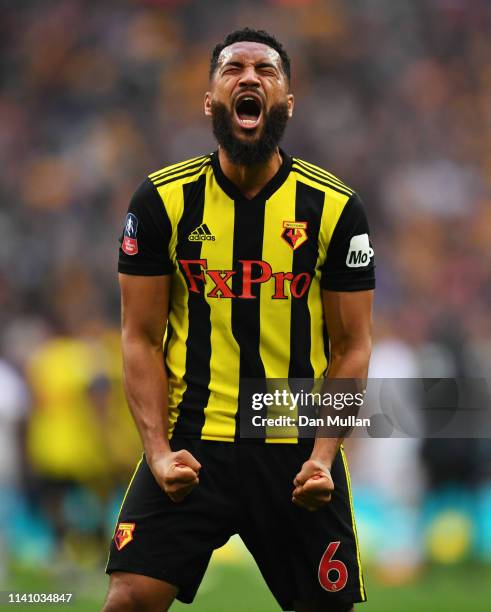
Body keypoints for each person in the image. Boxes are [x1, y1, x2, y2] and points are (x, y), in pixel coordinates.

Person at [103, 28, 374, 612]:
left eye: (267, 71)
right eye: (232, 69)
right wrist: (155, 450)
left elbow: (352, 347)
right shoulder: (160, 202)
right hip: (193, 443)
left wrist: (323, 457)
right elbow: (140, 338)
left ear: (288, 103)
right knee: (128, 599)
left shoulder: (334, 208)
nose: (249, 77)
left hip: (296, 447)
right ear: (209, 101)